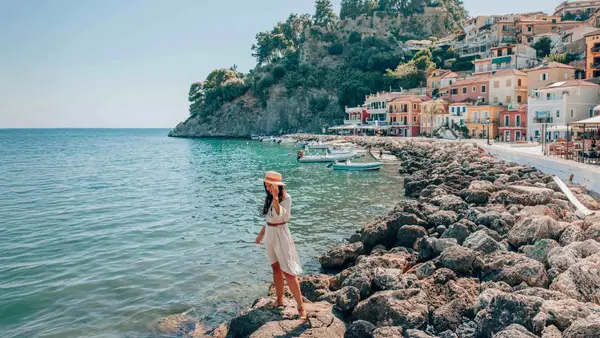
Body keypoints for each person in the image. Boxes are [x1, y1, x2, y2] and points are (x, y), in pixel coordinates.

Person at [255, 171, 306, 319]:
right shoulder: (269, 197)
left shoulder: (286, 198)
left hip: (281, 234)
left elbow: (279, 215)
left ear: (277, 185)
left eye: (270, 184)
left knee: (288, 271)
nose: (267, 186)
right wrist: (261, 234)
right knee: (275, 266)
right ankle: (279, 299)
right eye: (266, 183)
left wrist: (276, 198)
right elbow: (270, 219)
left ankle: (301, 307)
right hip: (270, 232)